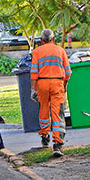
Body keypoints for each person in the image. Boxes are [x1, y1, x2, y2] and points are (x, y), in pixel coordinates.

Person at [30, 29, 71, 157]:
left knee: (43, 110)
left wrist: (33, 89)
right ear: (53, 39)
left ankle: (45, 137)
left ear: (41, 40)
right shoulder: (61, 51)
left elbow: (34, 72)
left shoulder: (36, 52)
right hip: (57, 83)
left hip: (41, 84)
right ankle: (57, 145)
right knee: (57, 113)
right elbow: (68, 72)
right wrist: (64, 85)